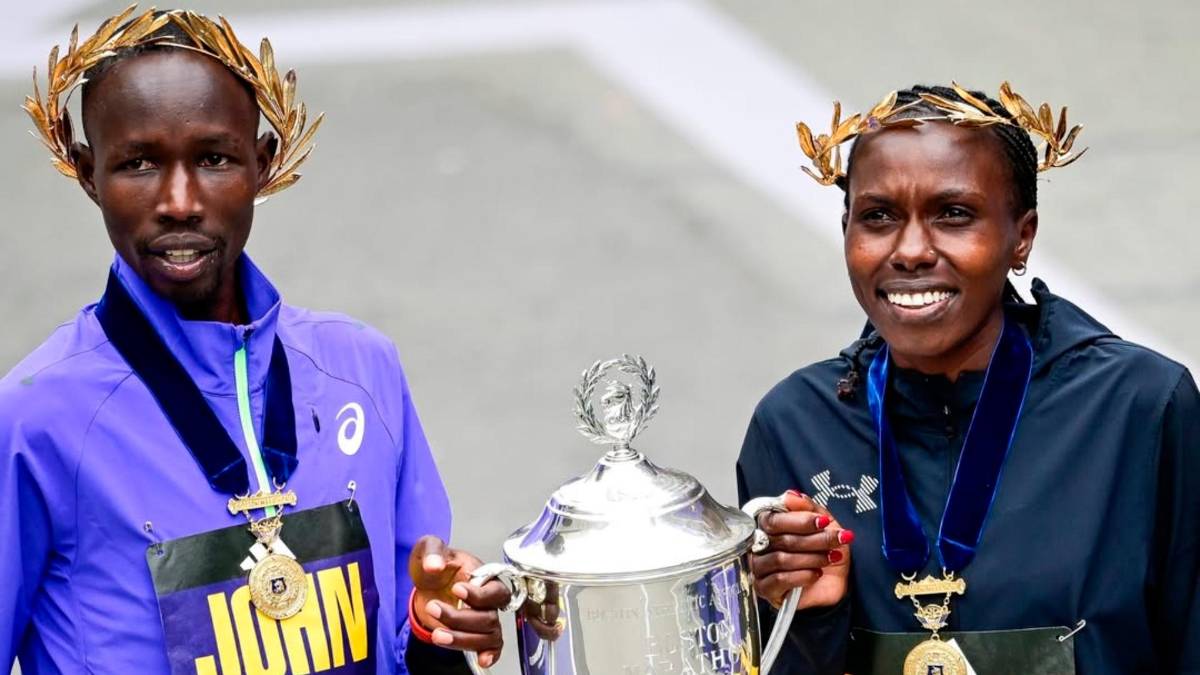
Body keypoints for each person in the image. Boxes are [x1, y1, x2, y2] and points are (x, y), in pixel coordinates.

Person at [2, 8, 505, 673]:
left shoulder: (362, 370)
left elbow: (410, 631)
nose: (179, 200)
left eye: (213, 158)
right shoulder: (36, 419)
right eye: (138, 163)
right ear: (88, 172)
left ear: (262, 163)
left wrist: (436, 621)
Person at [738, 83, 1199, 674]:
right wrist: (808, 617)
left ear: (1021, 236)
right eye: (878, 217)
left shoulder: (1137, 407)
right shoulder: (796, 425)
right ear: (847, 229)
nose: (910, 251)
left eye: (953, 214)